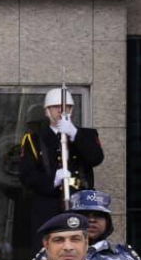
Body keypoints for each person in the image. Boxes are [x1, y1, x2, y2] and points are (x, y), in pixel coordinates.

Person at [17, 87, 104, 241]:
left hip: (81, 202)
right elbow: (26, 175)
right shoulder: (34, 139)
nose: (61, 110)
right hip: (47, 204)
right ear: (46, 111)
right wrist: (53, 180)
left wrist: (74, 134)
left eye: (67, 107)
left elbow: (95, 158)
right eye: (56, 107)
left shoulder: (87, 135)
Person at [26, 189, 141, 260]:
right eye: (85, 215)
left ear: (108, 222)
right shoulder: (49, 255)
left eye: (98, 215)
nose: (92, 220)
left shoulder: (126, 256)